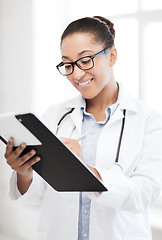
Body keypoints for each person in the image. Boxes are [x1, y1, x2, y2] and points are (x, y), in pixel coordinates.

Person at [4, 16, 162, 240]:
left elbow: (143, 195)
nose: (77, 74)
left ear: (112, 56)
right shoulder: (55, 116)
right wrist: (24, 171)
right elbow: (38, 193)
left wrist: (85, 172)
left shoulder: (148, 121)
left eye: (85, 60)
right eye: (68, 64)